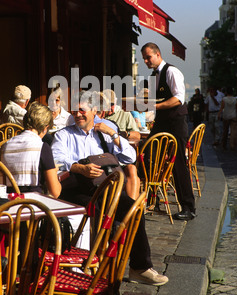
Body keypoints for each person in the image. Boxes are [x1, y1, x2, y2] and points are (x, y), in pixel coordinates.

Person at [52, 90, 168, 285]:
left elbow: (130, 158)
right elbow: (57, 160)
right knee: (95, 211)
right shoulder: (64, 135)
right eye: (75, 110)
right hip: (77, 190)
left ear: (95, 110)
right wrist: (79, 168)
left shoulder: (105, 132)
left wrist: (112, 134)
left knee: (132, 211)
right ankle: (89, 266)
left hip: (105, 189)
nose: (78, 114)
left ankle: (139, 268)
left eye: (82, 110)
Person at [1, 101, 88, 249]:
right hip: (33, 211)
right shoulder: (42, 147)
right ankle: (75, 266)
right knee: (82, 219)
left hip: (8, 211)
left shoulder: (5, 145)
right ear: (45, 128)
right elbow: (55, 192)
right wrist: (55, 174)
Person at [141, 42, 196, 221]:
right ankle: (151, 198)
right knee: (147, 154)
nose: (146, 61)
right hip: (161, 121)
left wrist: (155, 105)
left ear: (158, 54)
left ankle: (188, 207)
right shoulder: (153, 76)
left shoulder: (172, 72)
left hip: (175, 122)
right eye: (144, 58)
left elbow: (178, 99)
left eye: (148, 57)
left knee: (178, 163)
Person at [93, 91, 140, 199]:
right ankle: (130, 208)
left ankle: (130, 208)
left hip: (115, 157)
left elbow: (137, 134)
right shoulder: (104, 123)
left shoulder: (124, 115)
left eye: (112, 104)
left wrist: (122, 135)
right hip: (106, 163)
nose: (111, 108)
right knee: (131, 170)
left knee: (131, 169)